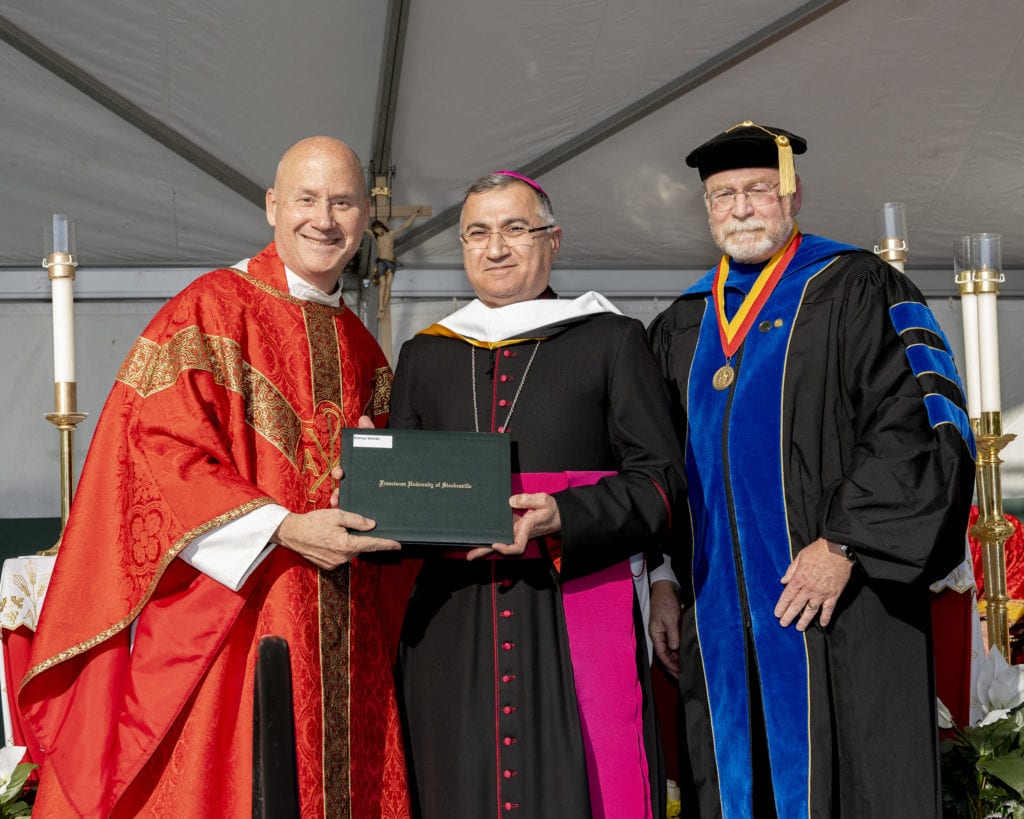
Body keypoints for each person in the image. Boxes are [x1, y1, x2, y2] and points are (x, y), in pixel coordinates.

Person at [19, 137, 410, 818]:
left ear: (362, 221)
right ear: (271, 205)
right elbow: (159, 453)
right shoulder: (208, 310)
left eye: (343, 201)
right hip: (240, 622)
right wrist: (284, 526)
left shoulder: (363, 345)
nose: (324, 218)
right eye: (306, 199)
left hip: (347, 631)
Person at [646, 121, 976, 818]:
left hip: (844, 605)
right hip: (720, 620)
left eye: (759, 190)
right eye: (723, 195)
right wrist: (665, 580)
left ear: (794, 197)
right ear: (706, 210)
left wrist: (845, 541)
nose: (740, 208)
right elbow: (654, 465)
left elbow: (917, 418)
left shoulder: (858, 287)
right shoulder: (681, 325)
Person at [388, 170, 685, 819]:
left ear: (553, 240)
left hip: (569, 603)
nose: (495, 247)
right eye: (477, 232)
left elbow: (662, 481)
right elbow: (399, 501)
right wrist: (363, 493)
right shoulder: (425, 354)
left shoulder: (610, 339)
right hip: (452, 629)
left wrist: (566, 514)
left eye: (515, 228)